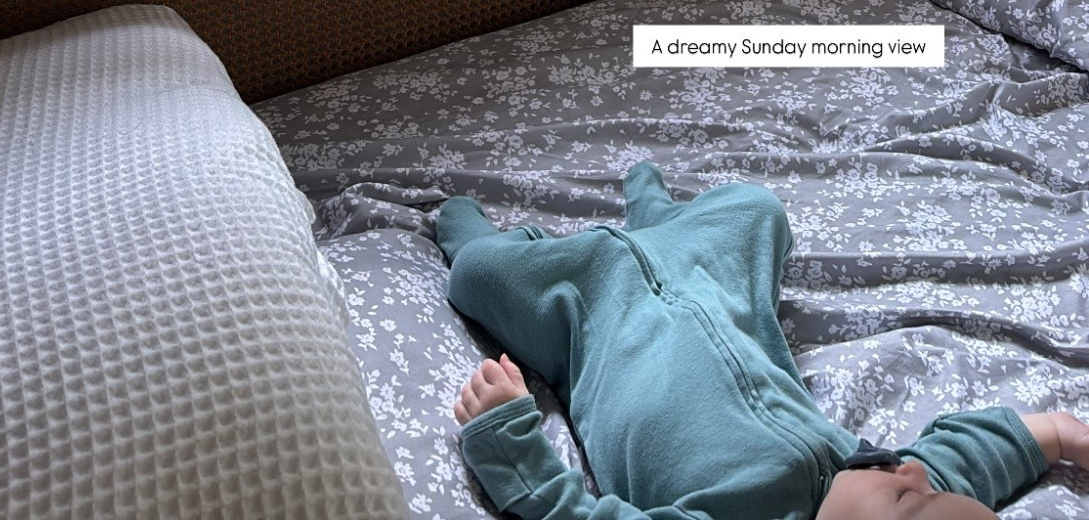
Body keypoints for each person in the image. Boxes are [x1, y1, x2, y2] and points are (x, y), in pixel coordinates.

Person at [437, 163, 1089, 520]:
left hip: (589, 319)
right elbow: (965, 460)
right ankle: (657, 214)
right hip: (718, 293)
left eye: (909, 500)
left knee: (480, 276)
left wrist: (506, 436)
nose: (913, 468)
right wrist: (1053, 433)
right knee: (758, 209)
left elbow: (567, 513)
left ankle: (468, 228)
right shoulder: (884, 480)